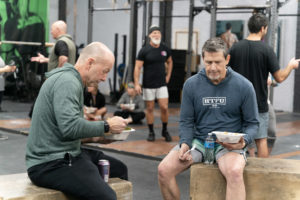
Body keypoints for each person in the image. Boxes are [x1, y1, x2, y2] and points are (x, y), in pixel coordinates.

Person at [158, 37, 259, 200]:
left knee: (234, 172)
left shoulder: (244, 86)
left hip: (228, 145)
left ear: (227, 59)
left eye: (218, 62)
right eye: (208, 62)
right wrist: (184, 143)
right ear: (203, 59)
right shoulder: (191, 85)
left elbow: (253, 124)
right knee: (164, 170)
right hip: (199, 142)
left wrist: (244, 140)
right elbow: (186, 121)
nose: (212, 68)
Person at [26, 42, 129, 200]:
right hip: (49, 163)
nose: (104, 78)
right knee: (106, 197)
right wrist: (107, 126)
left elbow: (66, 131)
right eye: (104, 71)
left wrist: (99, 137)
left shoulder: (73, 81)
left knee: (119, 169)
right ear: (90, 63)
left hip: (68, 152)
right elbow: (70, 128)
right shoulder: (68, 82)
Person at [228, 13, 300, 158]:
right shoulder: (266, 50)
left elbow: (226, 73)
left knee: (235, 141)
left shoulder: (235, 48)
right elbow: (279, 77)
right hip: (258, 104)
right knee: (261, 141)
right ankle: (261, 177)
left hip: (237, 104)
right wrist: (291, 66)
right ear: (263, 29)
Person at [134, 25, 173, 142]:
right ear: (149, 36)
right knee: (150, 108)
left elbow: (170, 62)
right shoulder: (144, 50)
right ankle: (151, 132)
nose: (156, 35)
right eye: (154, 33)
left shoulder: (165, 49)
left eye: (158, 33)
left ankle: (165, 130)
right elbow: (137, 67)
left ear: (160, 35)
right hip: (148, 84)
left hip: (161, 83)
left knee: (164, 107)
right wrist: (137, 83)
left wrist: (168, 76)